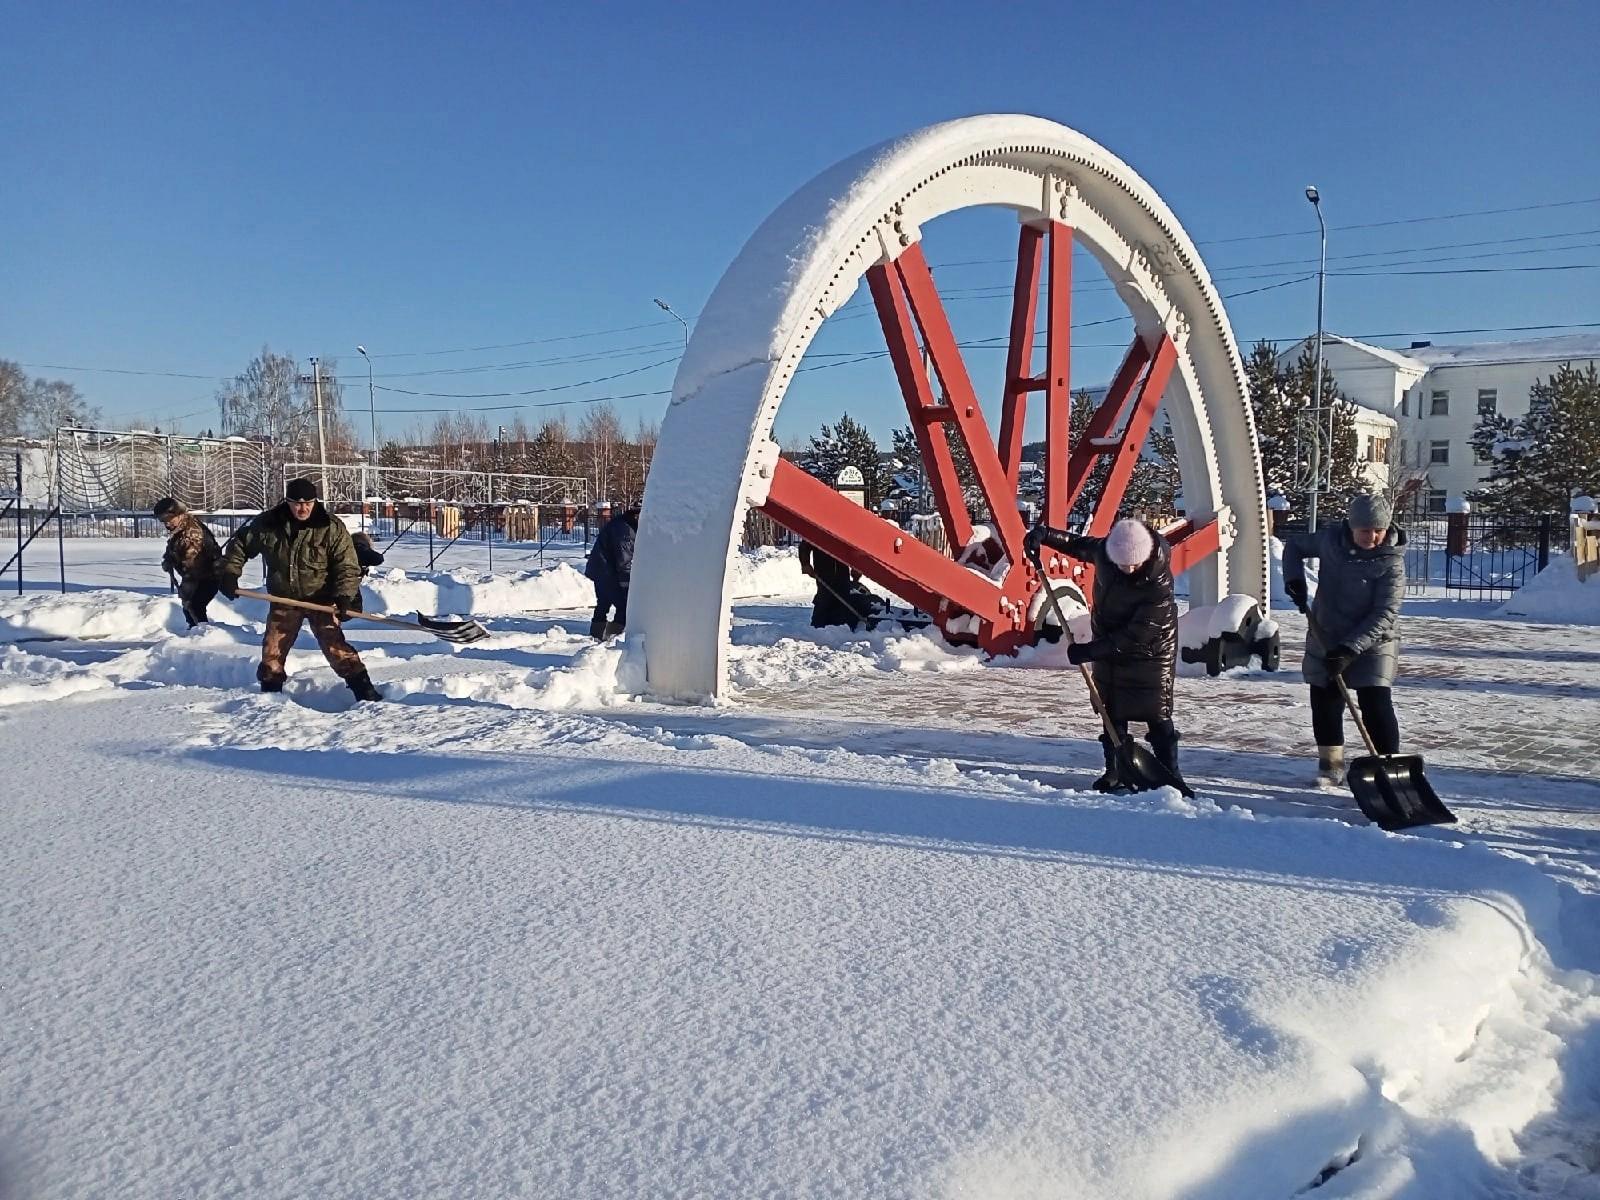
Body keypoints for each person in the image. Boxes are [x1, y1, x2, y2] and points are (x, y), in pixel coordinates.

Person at [1024, 516, 1184, 791]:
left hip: (1151, 650)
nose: (1129, 567)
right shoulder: (1105, 551)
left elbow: (1138, 633)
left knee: (1156, 712)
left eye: (1134, 563)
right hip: (1107, 643)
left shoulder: (1157, 582)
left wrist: (1090, 651)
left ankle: (1170, 774)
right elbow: (1077, 544)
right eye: (1123, 563)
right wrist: (1044, 534)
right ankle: (1115, 770)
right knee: (1112, 710)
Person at [216, 478, 382, 702]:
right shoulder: (269, 524)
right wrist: (230, 573)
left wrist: (344, 596)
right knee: (272, 649)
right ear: (287, 502)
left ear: (315, 502)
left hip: (321, 598)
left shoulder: (330, 527)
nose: (302, 508)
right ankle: (270, 696)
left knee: (335, 647)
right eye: (297, 503)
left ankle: (365, 693)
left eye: (308, 503)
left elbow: (347, 565)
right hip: (284, 598)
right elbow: (240, 546)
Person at [1281, 493, 1406, 787]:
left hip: (1375, 640)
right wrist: (1294, 580)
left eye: (1379, 530)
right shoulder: (1330, 541)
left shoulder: (1392, 563)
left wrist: (1350, 649)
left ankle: (1390, 767)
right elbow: (1295, 546)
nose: (1372, 536)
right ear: (1351, 527)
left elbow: (1385, 613)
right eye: (1365, 529)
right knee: (1325, 699)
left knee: (1375, 701)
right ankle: (1331, 766)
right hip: (1327, 633)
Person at [154, 497, 222, 627]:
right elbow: (175, 546)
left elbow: (192, 566)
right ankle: (196, 633)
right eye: (163, 521)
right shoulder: (181, 526)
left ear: (179, 515)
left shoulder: (192, 534)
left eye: (169, 520)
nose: (167, 524)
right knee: (190, 608)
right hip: (197, 575)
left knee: (194, 607)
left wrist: (187, 588)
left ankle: (203, 636)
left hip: (207, 576)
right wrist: (169, 558)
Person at [585, 506, 638, 640]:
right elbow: (624, 560)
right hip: (607, 572)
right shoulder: (625, 531)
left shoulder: (621, 524)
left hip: (600, 569)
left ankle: (596, 634)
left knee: (603, 602)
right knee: (625, 605)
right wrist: (626, 583)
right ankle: (614, 636)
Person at [797, 539, 867, 629]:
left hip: (842, 573)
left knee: (843, 599)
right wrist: (805, 563)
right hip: (823, 571)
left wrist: (856, 568)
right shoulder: (819, 531)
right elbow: (805, 545)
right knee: (824, 598)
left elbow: (854, 549)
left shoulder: (845, 531)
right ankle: (818, 627)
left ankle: (842, 626)